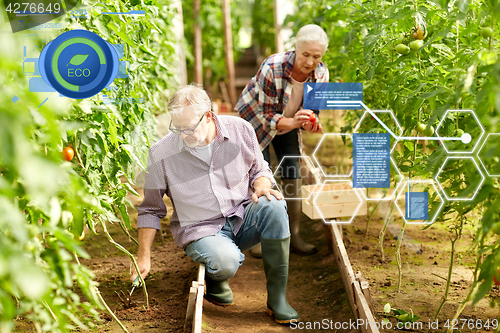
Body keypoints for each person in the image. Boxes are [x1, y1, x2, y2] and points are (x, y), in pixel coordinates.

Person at [131, 85, 299, 324]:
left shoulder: (241, 130)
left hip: (242, 215)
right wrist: (143, 256)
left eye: (189, 127)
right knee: (224, 261)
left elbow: (260, 168)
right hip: (201, 228)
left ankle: (278, 299)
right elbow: (150, 209)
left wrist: (262, 184)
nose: (183, 134)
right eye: (177, 128)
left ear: (208, 116)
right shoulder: (161, 153)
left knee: (273, 204)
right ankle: (216, 273)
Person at [236, 24, 329, 257]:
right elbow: (267, 117)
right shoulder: (272, 67)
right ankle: (255, 237)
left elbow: (313, 111)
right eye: (305, 54)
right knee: (257, 174)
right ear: (295, 48)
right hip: (256, 119)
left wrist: (310, 121)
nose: (309, 61)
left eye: (316, 57)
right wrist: (295, 122)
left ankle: (293, 234)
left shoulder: (321, 74)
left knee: (292, 170)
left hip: (288, 121)